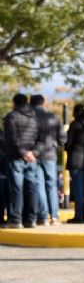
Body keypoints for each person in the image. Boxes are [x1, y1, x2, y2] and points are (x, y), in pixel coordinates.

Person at [3, 94, 39, 229]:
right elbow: (41, 138)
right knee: (31, 188)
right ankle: (31, 219)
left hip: (16, 157)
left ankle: (16, 219)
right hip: (32, 158)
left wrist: (23, 153)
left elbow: (12, 138)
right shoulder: (34, 117)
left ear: (14, 103)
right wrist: (33, 153)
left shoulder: (11, 116)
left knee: (16, 189)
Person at [31, 95, 65, 226]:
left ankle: (43, 217)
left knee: (39, 185)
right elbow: (62, 138)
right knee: (51, 185)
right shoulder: (53, 117)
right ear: (43, 103)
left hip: (34, 154)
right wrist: (54, 145)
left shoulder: (30, 118)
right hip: (50, 154)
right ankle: (54, 217)